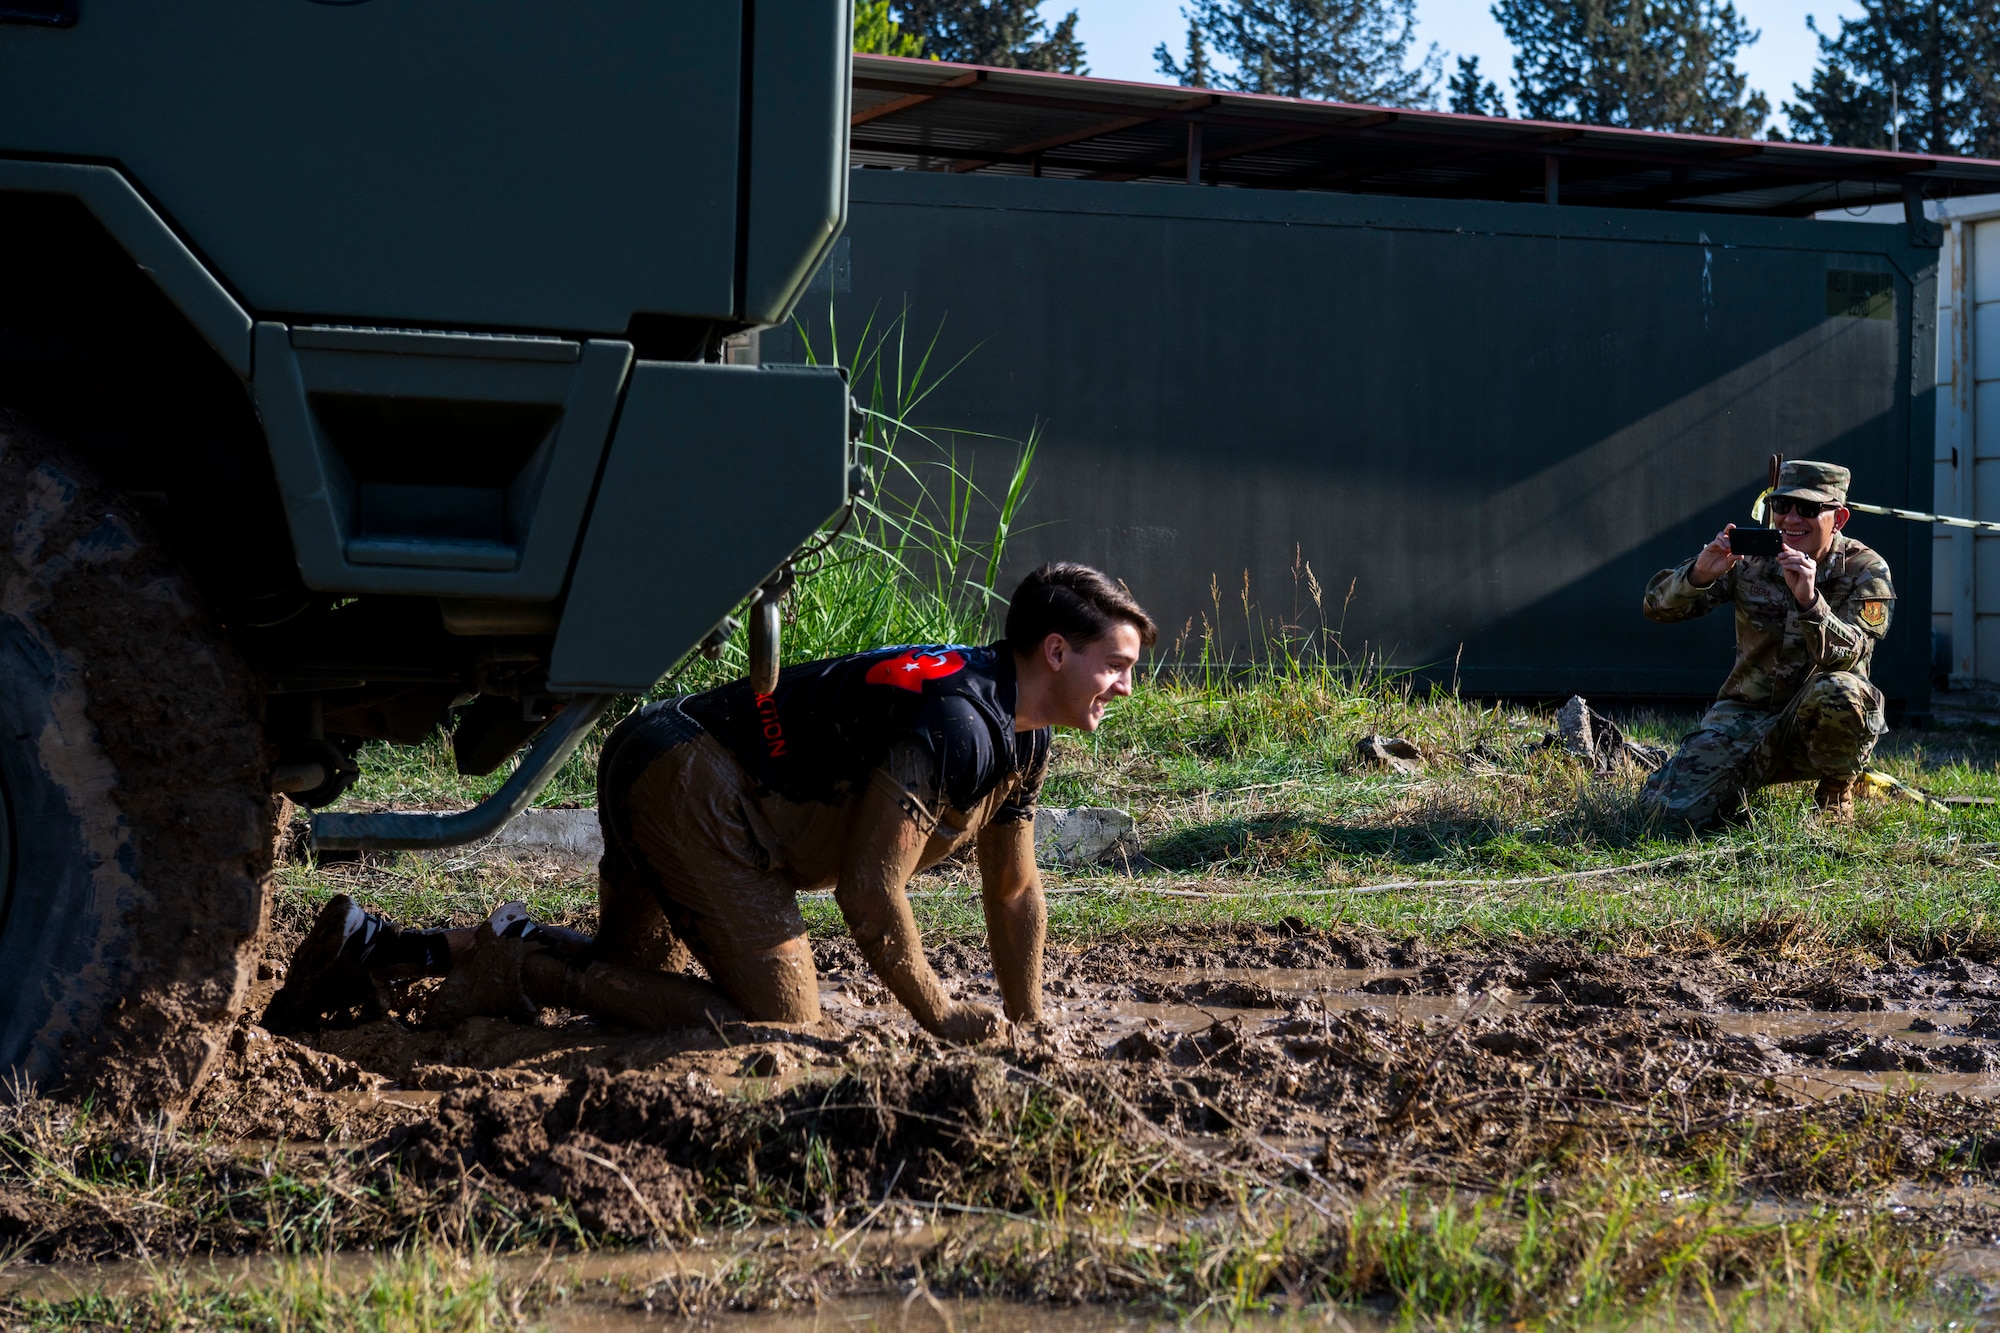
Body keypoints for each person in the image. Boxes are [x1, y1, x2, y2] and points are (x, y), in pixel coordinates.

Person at [265, 563, 1157, 1041]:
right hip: (694, 782)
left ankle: (388, 947)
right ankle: (520, 967)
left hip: (677, 758)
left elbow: (1012, 891)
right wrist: (938, 1009)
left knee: (626, 971)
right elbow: (869, 891)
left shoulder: (1022, 732)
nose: (1124, 686)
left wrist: (1027, 1019)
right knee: (779, 1019)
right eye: (1114, 665)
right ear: (1053, 649)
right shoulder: (960, 724)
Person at [1639, 460, 1894, 827]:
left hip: (1815, 726)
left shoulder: (1865, 570)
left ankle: (1836, 792)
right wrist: (1699, 574)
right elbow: (1656, 608)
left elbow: (1853, 651)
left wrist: (1810, 602)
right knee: (1661, 814)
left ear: (1838, 519)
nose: (1791, 519)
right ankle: (1731, 794)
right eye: (1781, 506)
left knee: (1845, 690)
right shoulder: (1750, 559)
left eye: (1807, 509)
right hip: (1744, 718)